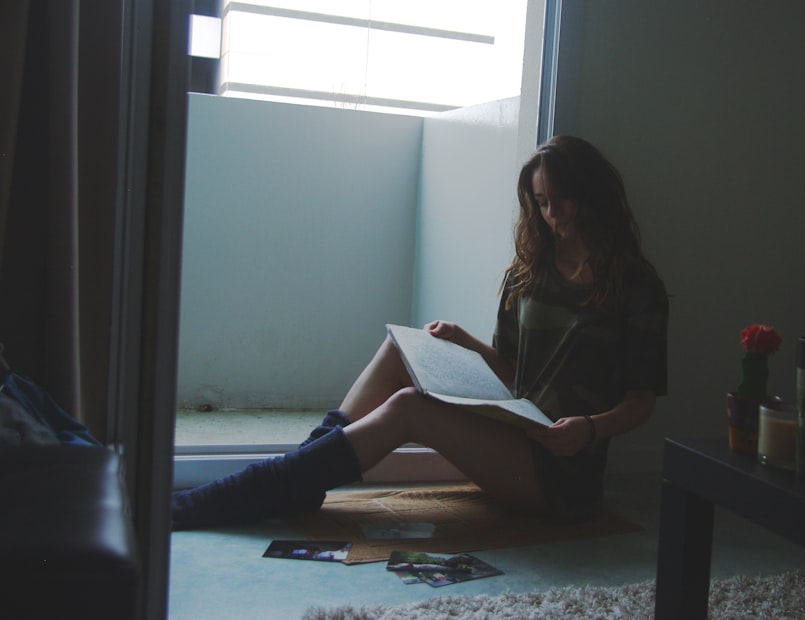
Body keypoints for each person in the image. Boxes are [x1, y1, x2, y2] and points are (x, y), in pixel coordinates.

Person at [171, 135, 669, 529]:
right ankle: (296, 478)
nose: (550, 214)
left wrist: (588, 428)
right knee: (401, 347)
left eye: (560, 200)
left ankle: (265, 486)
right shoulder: (528, 273)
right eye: (540, 202)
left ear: (590, 196)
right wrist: (462, 342)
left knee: (409, 406)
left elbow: (641, 401)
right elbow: (515, 371)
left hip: (561, 474)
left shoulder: (634, 284)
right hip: (516, 432)